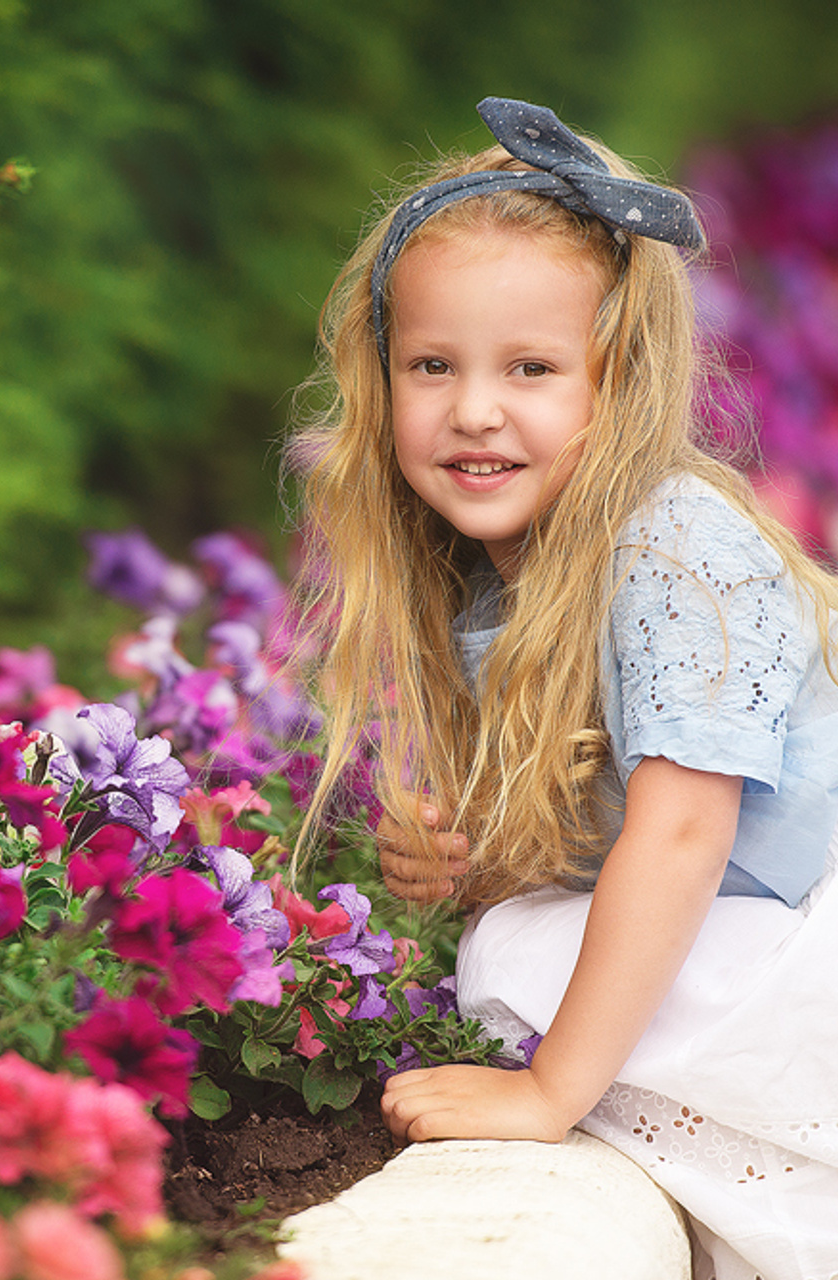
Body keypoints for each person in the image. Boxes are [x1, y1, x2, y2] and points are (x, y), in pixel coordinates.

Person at [287, 97, 838, 1280]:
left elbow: (686, 829)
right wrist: (472, 860)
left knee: (516, 965)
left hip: (814, 934)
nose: (473, 409)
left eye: (529, 368)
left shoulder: (669, 547)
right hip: (759, 911)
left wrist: (546, 1091)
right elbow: (609, 817)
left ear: (616, 382)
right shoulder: (509, 569)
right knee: (510, 937)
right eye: (432, 365)